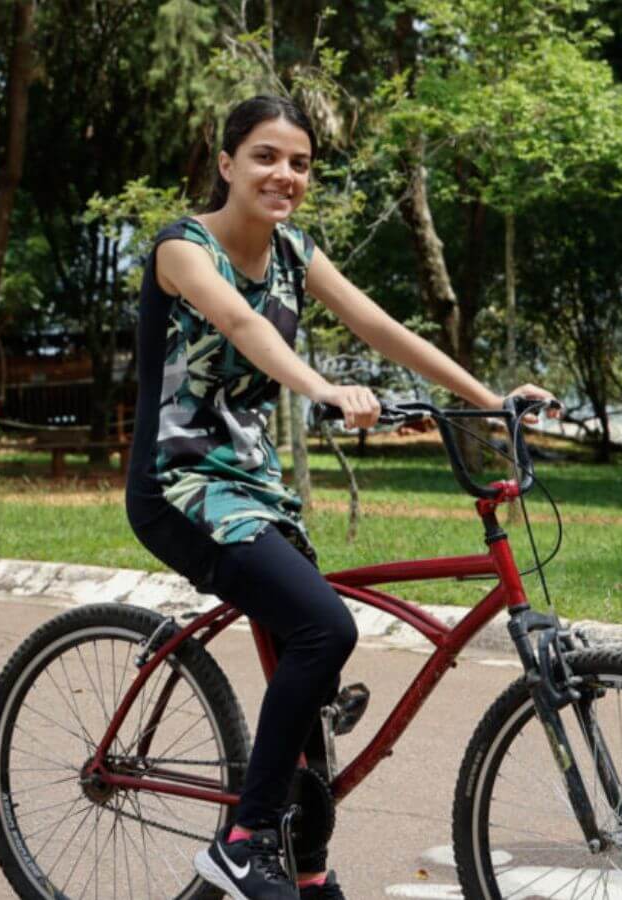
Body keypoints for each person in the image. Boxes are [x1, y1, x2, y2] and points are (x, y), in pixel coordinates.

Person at [124, 95, 555, 900]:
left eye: (298, 163)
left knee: (311, 686)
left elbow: (383, 328)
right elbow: (242, 327)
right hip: (178, 485)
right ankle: (243, 841)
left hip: (253, 488)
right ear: (225, 164)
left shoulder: (293, 251)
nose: (283, 175)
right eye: (264, 157)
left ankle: (310, 874)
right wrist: (322, 388)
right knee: (326, 626)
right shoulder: (183, 250)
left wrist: (488, 399)